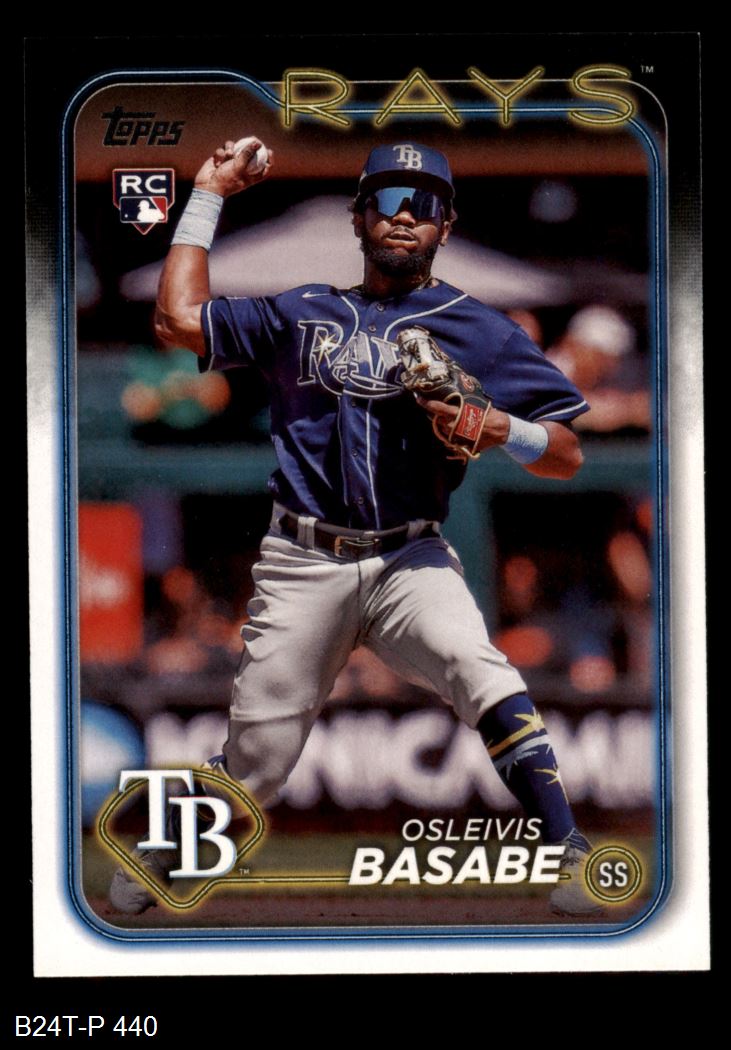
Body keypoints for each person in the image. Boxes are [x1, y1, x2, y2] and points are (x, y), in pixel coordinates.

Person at [110, 139, 600, 917]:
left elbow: (568, 452)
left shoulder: (481, 330)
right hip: (303, 559)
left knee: (481, 670)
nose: (404, 216)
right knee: (259, 765)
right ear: (358, 216)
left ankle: (567, 850)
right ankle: (167, 851)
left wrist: (503, 428)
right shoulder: (299, 310)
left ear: (445, 226)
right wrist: (207, 195)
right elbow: (176, 320)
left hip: (411, 555)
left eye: (423, 205)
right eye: (387, 201)